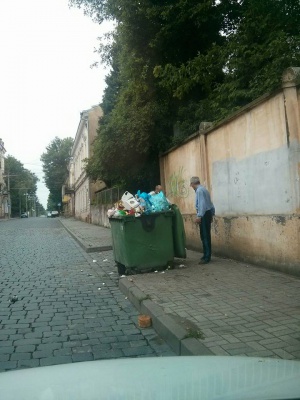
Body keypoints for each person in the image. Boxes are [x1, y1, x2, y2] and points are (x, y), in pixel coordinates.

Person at [190, 176, 215, 264]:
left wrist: (199, 216)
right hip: (207, 213)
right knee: (206, 235)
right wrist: (212, 214)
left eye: (191, 185)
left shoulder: (199, 191)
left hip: (204, 214)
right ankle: (206, 254)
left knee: (204, 235)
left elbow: (202, 204)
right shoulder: (204, 189)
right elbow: (211, 204)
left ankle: (206, 256)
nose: (191, 187)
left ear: (193, 184)